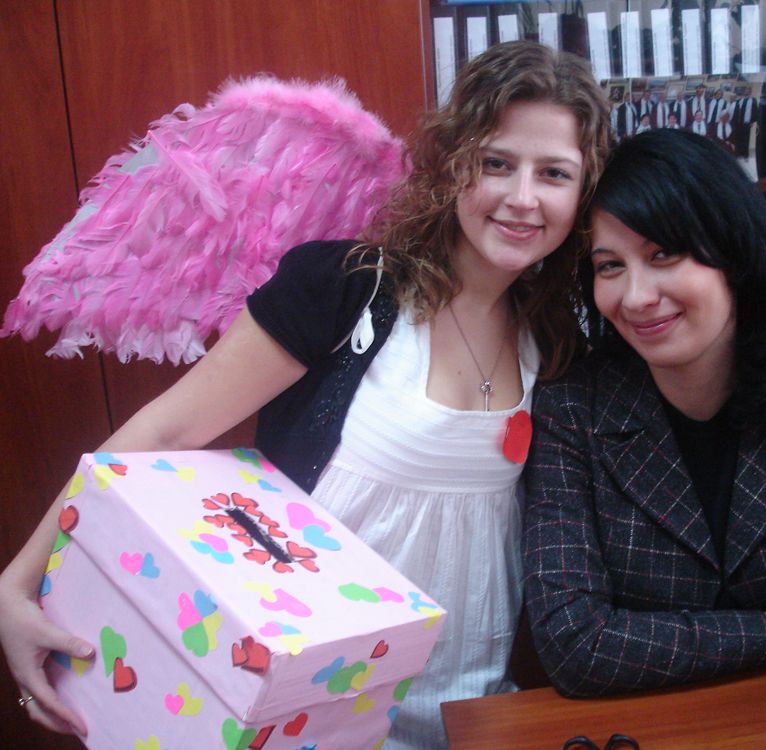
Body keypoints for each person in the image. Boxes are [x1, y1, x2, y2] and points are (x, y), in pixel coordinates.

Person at [0, 40, 611, 748]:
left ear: (582, 195)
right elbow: (165, 432)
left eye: (554, 173)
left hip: (468, 708)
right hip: (305, 705)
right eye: (496, 162)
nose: (523, 197)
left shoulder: (557, 341)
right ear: (452, 164)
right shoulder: (345, 288)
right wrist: (16, 584)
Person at [522, 129, 766, 697]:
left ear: (734, 255)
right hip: (645, 723)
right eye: (610, 266)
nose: (635, 297)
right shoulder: (574, 407)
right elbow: (575, 645)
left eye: (663, 253)